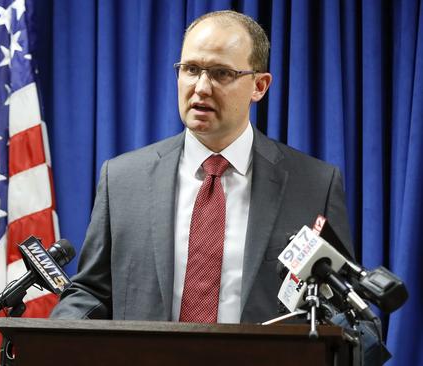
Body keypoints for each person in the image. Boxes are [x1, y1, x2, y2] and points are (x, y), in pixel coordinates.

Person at [50, 10, 354, 323]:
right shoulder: (123, 179)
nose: (201, 87)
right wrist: (52, 338)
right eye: (191, 69)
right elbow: (92, 292)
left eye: (222, 73)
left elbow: (342, 306)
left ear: (259, 86)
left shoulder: (315, 185)